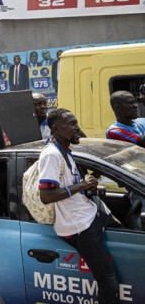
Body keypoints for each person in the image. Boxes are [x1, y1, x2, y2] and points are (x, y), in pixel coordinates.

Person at [39, 108, 121, 304]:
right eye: (72, 124)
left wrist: (87, 182)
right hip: (79, 227)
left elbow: (71, 184)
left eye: (77, 123)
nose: (77, 128)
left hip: (91, 213)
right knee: (107, 280)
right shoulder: (51, 154)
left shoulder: (64, 148)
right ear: (56, 129)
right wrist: (81, 185)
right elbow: (46, 195)